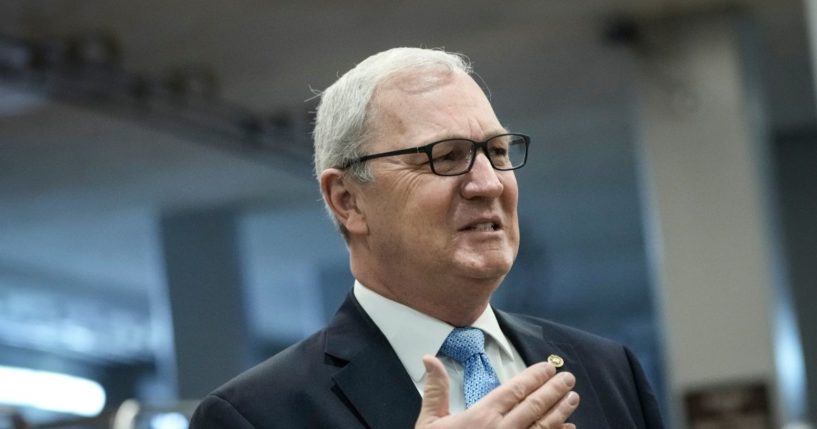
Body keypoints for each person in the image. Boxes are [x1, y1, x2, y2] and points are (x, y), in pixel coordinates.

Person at [188, 47, 664, 429]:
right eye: (446, 156)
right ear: (348, 200)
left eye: (497, 151)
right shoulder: (253, 415)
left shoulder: (607, 371)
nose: (490, 183)